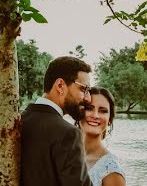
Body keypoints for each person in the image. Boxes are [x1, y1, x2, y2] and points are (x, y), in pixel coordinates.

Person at [20, 55, 94, 186]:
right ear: (60, 85)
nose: (88, 98)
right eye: (84, 89)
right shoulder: (68, 133)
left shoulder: (17, 122)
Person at [79, 87, 126, 186]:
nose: (95, 115)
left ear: (110, 120)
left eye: (103, 111)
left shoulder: (111, 171)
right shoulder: (64, 155)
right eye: (89, 108)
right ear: (78, 113)